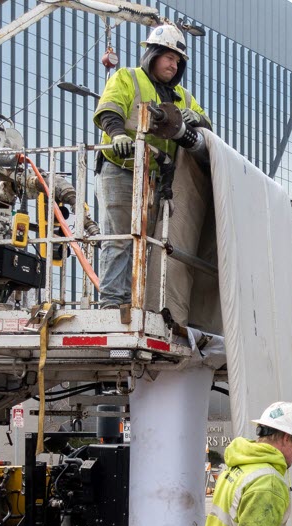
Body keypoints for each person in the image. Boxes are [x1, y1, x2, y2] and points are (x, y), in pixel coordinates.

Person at [92, 24, 211, 311]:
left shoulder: (182, 96)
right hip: (121, 169)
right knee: (121, 238)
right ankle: (112, 304)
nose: (173, 64)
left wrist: (194, 116)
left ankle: (134, 304)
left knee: (146, 244)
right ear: (153, 54)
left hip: (156, 179)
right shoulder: (128, 77)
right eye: (168, 57)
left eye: (178, 60)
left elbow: (208, 128)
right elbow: (110, 108)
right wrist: (118, 134)